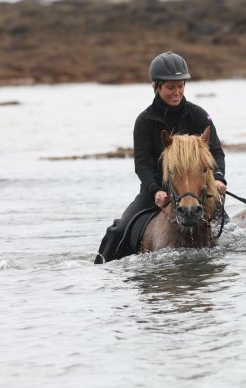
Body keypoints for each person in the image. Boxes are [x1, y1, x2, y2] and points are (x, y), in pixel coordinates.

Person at [94, 51, 227, 263]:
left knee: (230, 231)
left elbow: (216, 152)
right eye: (170, 87)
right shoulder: (145, 121)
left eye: (181, 86)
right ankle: (103, 270)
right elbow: (142, 164)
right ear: (157, 87)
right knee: (118, 232)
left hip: (198, 191)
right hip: (156, 192)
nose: (177, 92)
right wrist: (155, 190)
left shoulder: (200, 115)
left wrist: (219, 178)